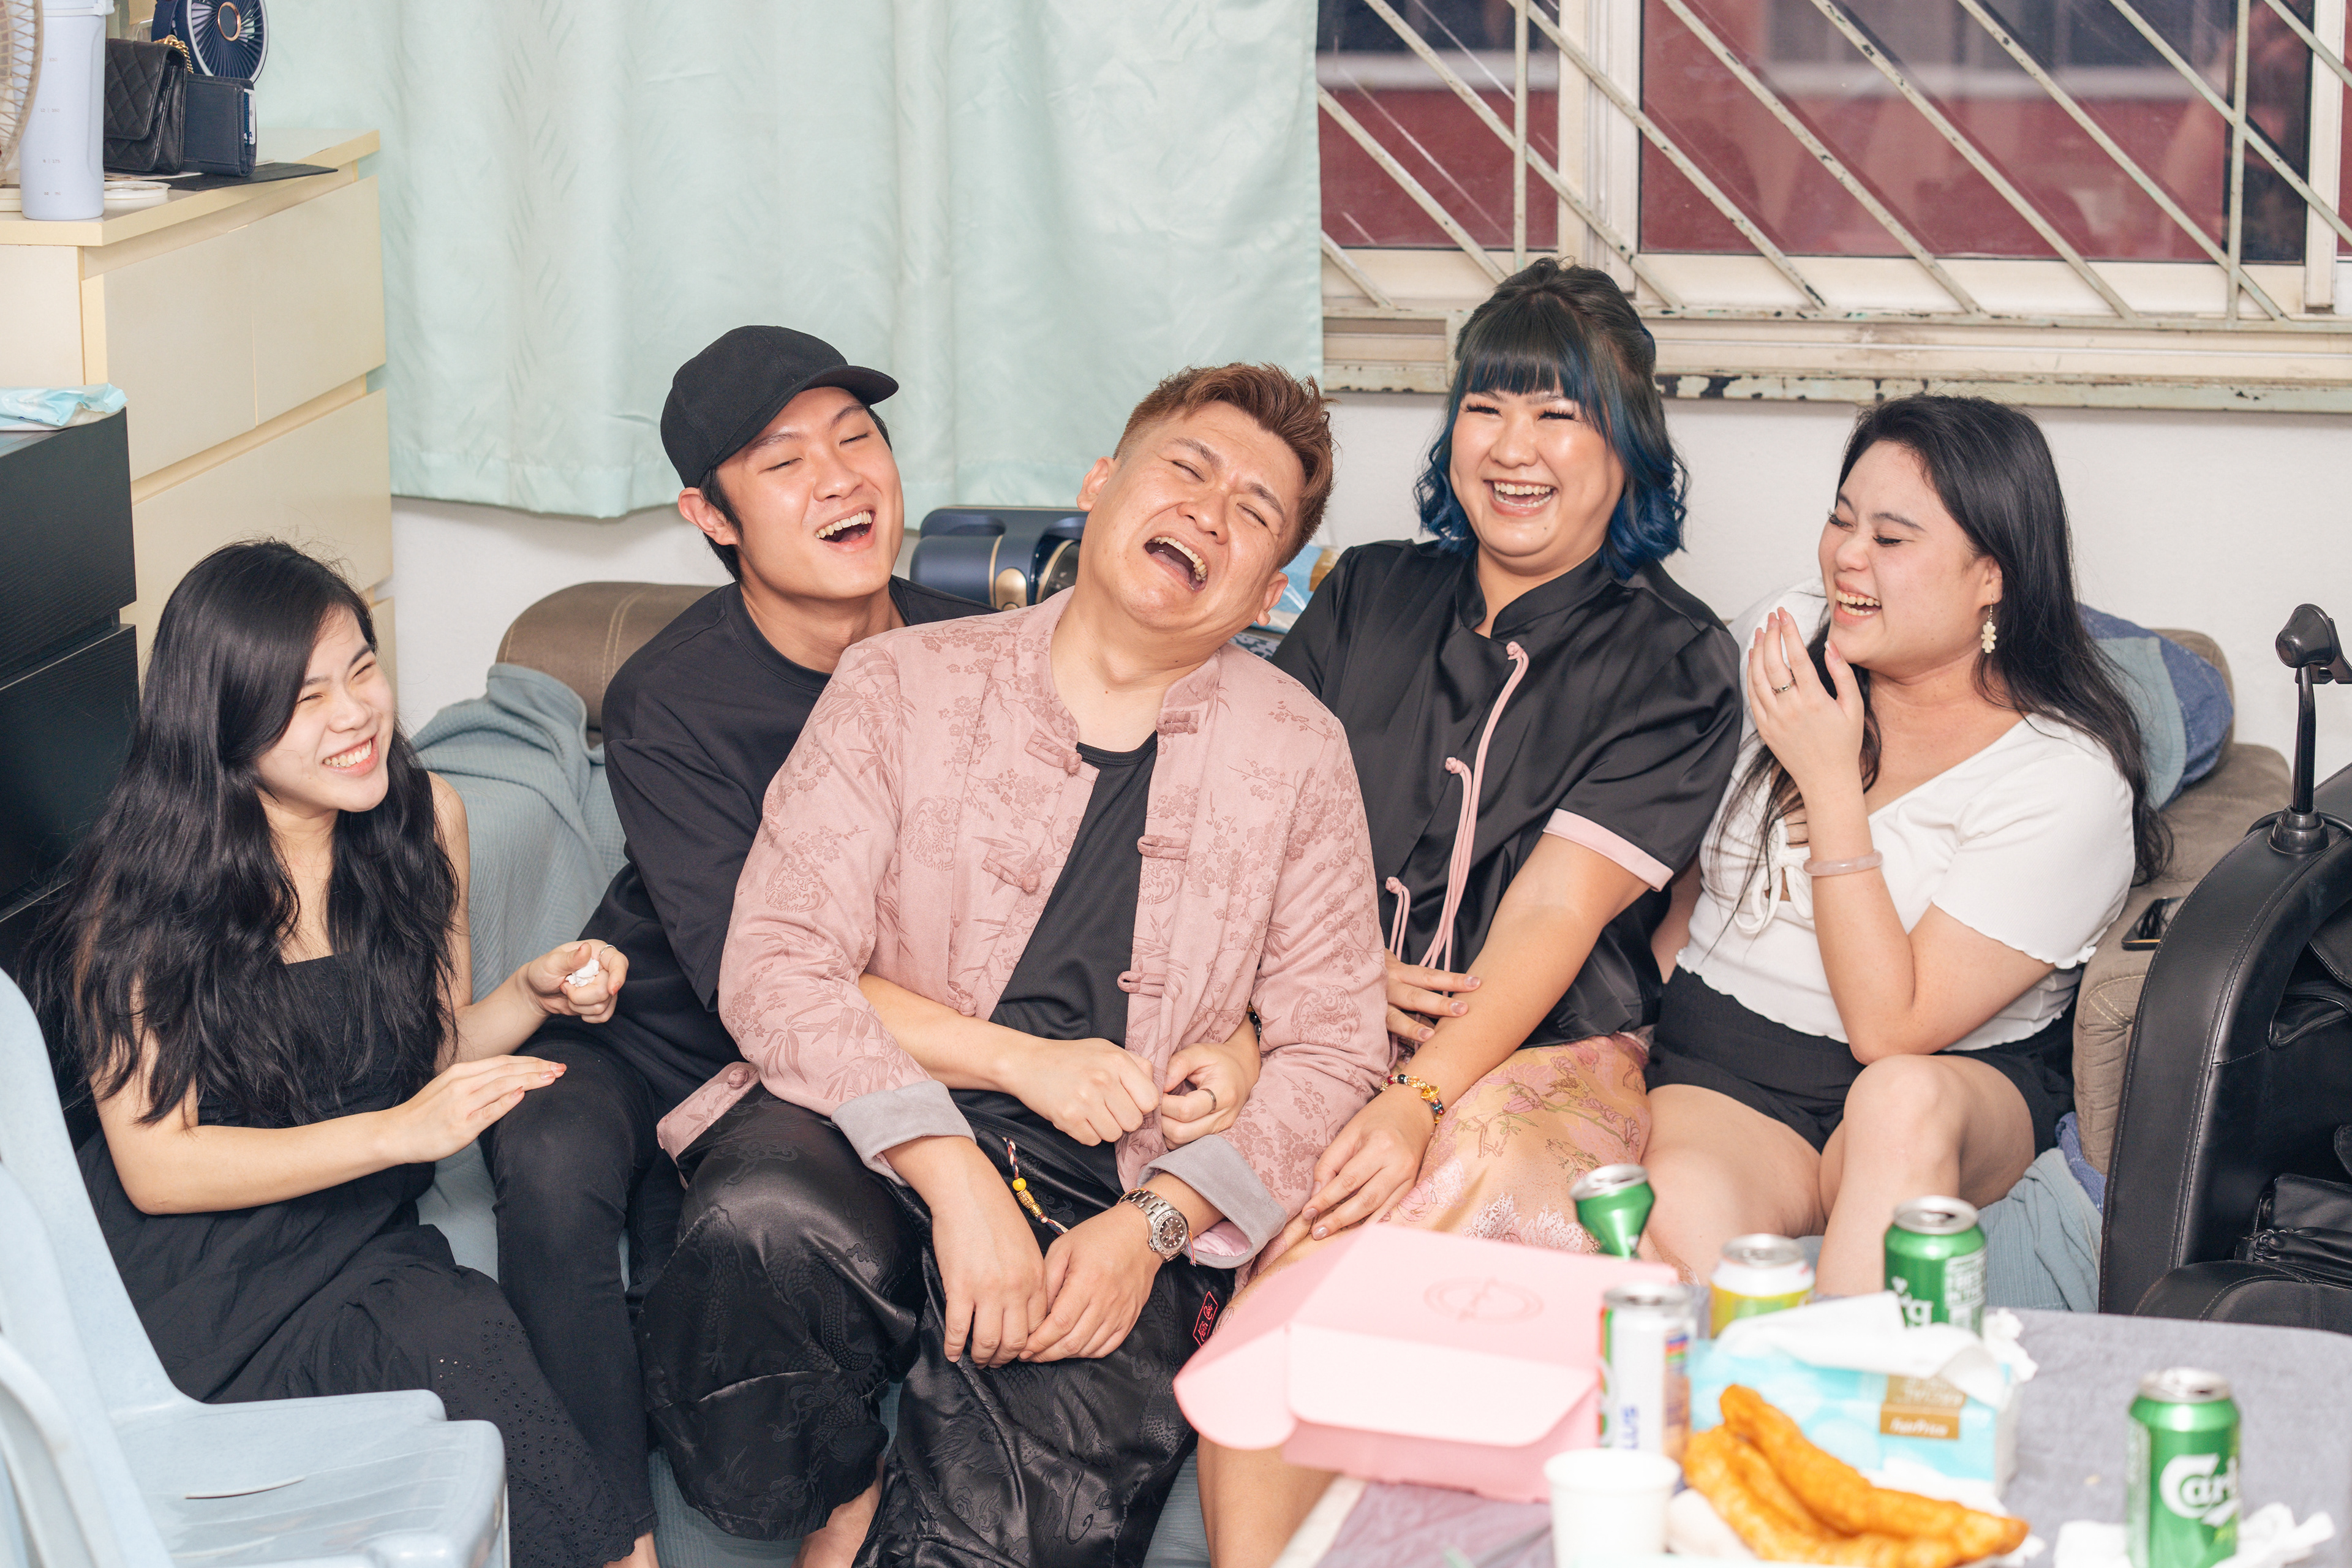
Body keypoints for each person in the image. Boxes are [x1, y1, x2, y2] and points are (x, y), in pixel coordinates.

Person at [476, 326, 1261, 1566]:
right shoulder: (673, 696)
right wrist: (1021, 1060)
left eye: (857, 439)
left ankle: (880, 1473)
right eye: (784, 462)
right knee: (556, 1150)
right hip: (678, 1029)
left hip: (903, 1048)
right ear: (712, 516)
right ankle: (614, 1538)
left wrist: (1253, 1007)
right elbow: (761, 974)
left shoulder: (983, 651)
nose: (840, 477)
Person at [635, 363, 1391, 1568]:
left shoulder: (1300, 752)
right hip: (866, 1126)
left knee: (1008, 1535)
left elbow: (1337, 1046)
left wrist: (1156, 1223)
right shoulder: (900, 682)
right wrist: (954, 1176)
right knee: (755, 1233)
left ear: (1271, 587)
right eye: (1186, 470)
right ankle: (840, 1495)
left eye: (1254, 512)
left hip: (1109, 1188)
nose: (1208, 513)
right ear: (1100, 484)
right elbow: (777, 960)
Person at [1195, 258, 1744, 1566]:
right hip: (1314, 1021)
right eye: (1487, 408)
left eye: (1559, 414)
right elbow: (1244, 825)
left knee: (1377, 1243)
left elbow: (1556, 907)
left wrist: (1418, 1095)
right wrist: (1326, 980)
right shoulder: (1367, 594)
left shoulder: (1676, 657)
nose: (1513, 447)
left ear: (1627, 449)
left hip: (1537, 1056)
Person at [23, 541, 641, 1568]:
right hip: (193, 1280)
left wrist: (530, 995)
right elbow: (160, 1169)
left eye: (362, 669)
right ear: (224, 723)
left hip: (358, 1236)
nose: (354, 715)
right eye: (304, 699)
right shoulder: (139, 895)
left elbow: (425, 1052)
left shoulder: (424, 822)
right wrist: (395, 1135)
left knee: (473, 1348)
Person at [1640, 394, 2158, 1296]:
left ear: (1991, 576)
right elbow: (1665, 794)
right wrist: (1665, 955)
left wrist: (1830, 783)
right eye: (1841, 519)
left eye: (1890, 537)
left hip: (1945, 1082)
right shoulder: (1785, 635)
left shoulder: (2063, 778)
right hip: (1726, 1071)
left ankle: (1853, 1376)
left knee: (1900, 1100)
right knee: (1681, 1254)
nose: (1847, 554)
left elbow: (1892, 1030)